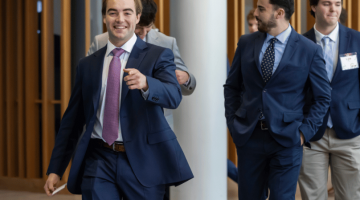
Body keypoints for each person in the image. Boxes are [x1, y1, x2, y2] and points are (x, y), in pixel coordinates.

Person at [43, 0, 193, 199]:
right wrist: (56, 169)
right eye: (113, 13)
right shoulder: (87, 65)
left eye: (127, 13)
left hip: (144, 160)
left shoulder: (158, 56)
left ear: (137, 17)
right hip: (98, 160)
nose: (120, 19)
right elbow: (73, 120)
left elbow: (173, 96)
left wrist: (147, 83)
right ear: (105, 17)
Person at [224, 0, 331, 199]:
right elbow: (231, 87)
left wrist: (303, 133)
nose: (255, 13)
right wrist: (234, 124)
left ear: (279, 13)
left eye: (261, 9)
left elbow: (323, 97)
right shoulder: (246, 43)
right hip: (249, 137)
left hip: (288, 140)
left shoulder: (309, 49)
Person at [299, 1, 360, 199]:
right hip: (311, 135)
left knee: (351, 196)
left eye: (337, 3)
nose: (333, 9)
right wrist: (299, 129)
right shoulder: (300, 43)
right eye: (327, 3)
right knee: (313, 196)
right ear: (314, 6)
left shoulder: (357, 40)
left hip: (350, 132)